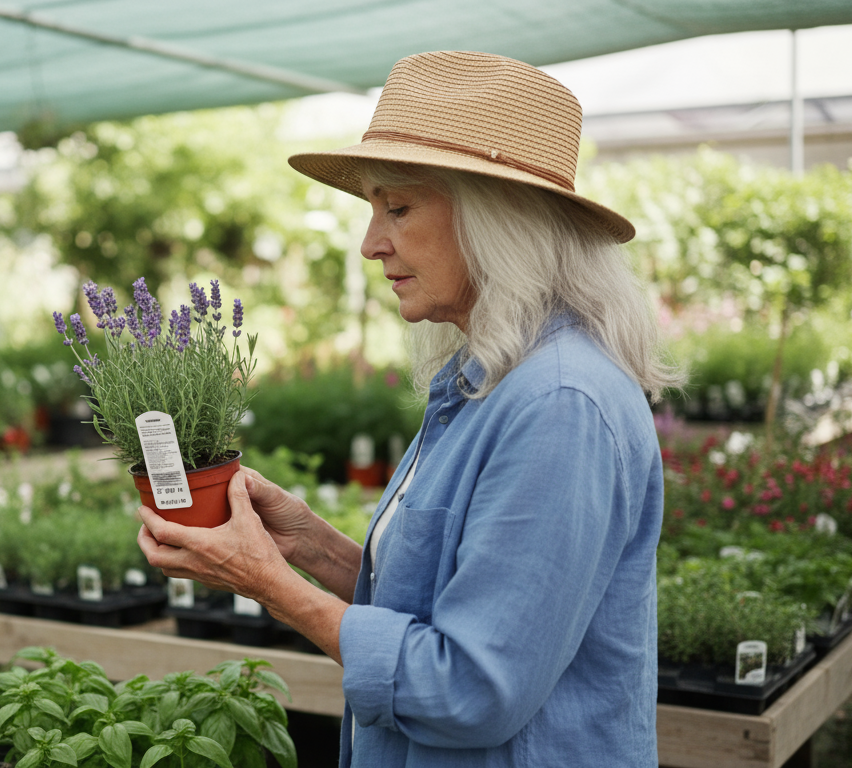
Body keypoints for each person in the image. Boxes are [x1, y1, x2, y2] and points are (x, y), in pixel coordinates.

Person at [135, 50, 682, 767]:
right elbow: (454, 596)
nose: (371, 244)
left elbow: (471, 689)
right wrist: (307, 546)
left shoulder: (560, 405)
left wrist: (266, 583)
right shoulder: (489, 378)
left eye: (398, 207)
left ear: (499, 221)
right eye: (372, 210)